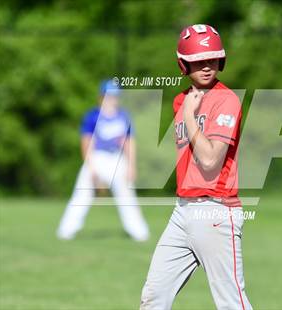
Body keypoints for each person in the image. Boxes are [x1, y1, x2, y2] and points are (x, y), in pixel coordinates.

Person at [140, 24, 252, 309]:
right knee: (154, 297)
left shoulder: (225, 100)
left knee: (231, 303)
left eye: (212, 59)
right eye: (198, 61)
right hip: (182, 212)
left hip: (215, 210)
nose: (206, 66)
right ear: (183, 64)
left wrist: (189, 116)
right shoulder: (182, 99)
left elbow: (211, 160)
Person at [56, 80, 150, 242]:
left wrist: (131, 166)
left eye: (115, 96)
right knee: (81, 194)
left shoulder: (123, 116)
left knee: (126, 196)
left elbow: (128, 142)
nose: (112, 99)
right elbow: (86, 142)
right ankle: (66, 231)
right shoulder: (92, 116)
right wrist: (91, 168)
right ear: (101, 97)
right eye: (109, 96)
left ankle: (139, 233)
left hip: (117, 160)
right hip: (97, 158)